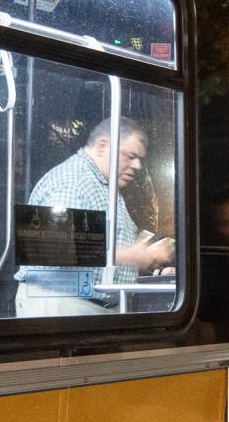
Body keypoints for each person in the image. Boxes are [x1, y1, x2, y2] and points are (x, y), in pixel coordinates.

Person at [15, 117, 173, 316]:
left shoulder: (105, 186)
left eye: (140, 159)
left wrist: (147, 251)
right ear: (102, 146)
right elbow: (55, 248)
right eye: (131, 156)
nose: (137, 166)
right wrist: (133, 256)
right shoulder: (72, 182)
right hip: (63, 305)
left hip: (91, 306)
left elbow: (111, 239)